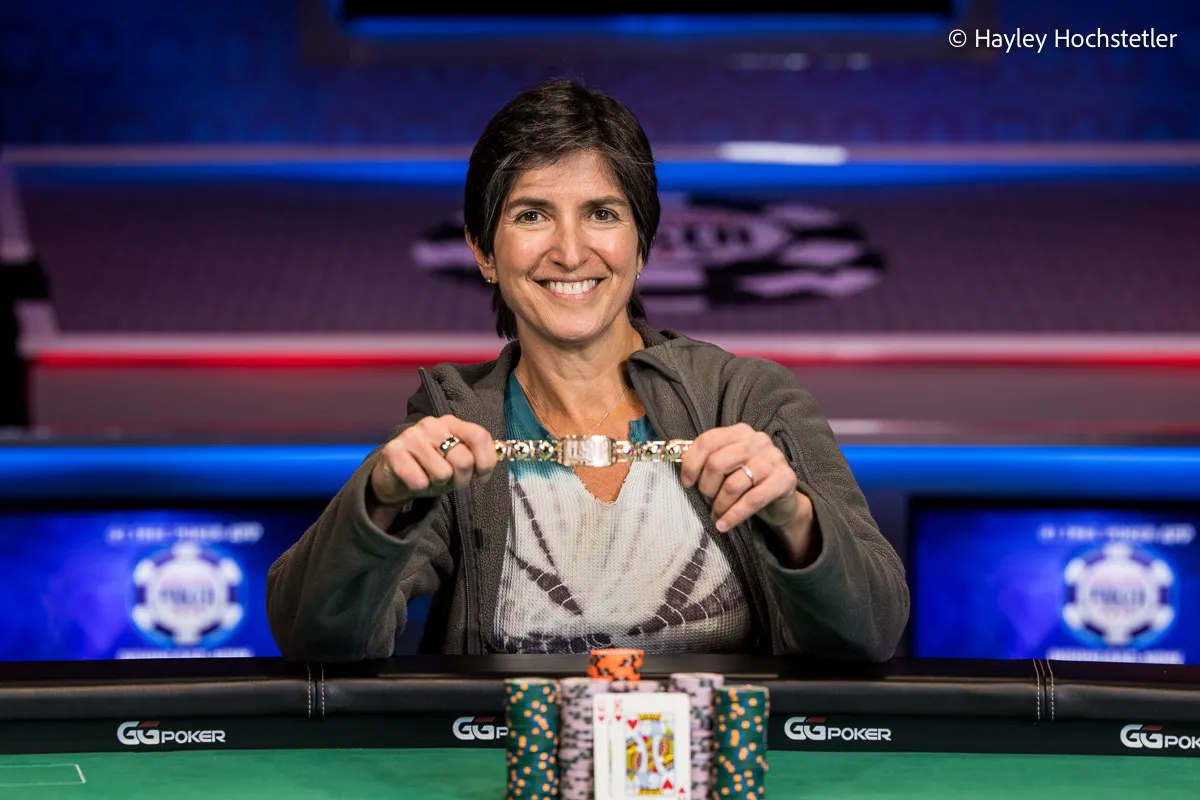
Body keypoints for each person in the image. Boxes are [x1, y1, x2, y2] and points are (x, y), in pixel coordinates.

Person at [266, 79, 909, 661]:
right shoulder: (455, 418)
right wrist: (380, 500)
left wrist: (795, 519)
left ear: (642, 244)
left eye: (602, 213)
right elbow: (317, 638)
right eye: (531, 215)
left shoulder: (746, 398)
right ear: (483, 251)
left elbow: (874, 631)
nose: (570, 252)